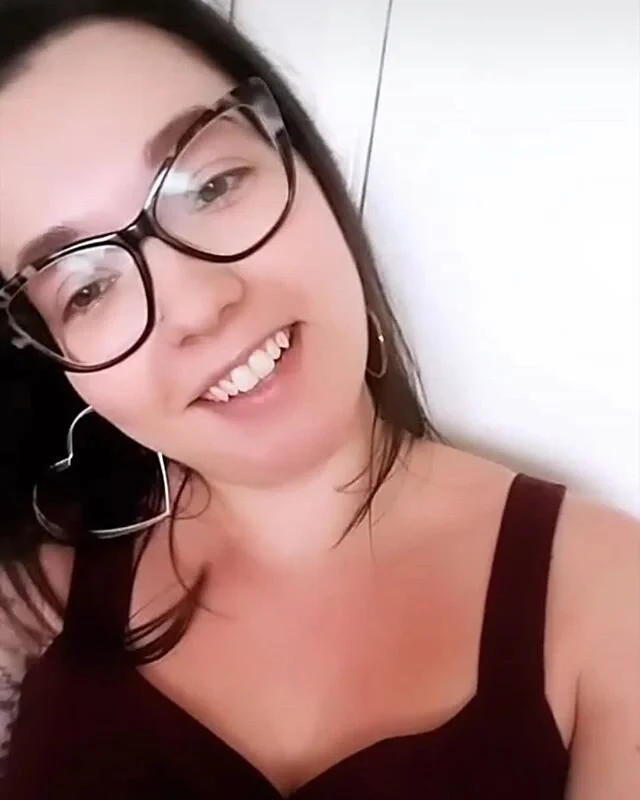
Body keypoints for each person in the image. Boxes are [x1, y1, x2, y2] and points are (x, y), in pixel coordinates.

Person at [0, 1, 637, 797]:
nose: (200, 307)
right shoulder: (29, 609)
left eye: (211, 185)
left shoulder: (609, 599)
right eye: (88, 288)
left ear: (303, 162)